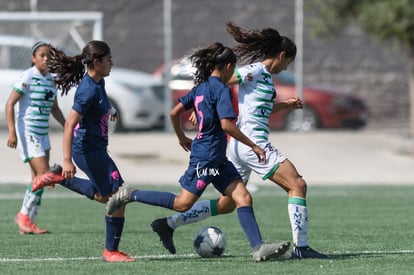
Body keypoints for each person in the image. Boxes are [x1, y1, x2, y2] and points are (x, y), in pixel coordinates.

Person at [150, 22, 328, 259]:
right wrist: (201, 106)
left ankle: (169, 224)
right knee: (297, 185)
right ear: (283, 56)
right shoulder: (254, 70)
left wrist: (286, 105)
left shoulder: (264, 77)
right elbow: (220, 80)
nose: (287, 67)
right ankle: (302, 247)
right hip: (253, 145)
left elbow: (258, 109)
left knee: (228, 203)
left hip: (237, 147)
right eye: (288, 62)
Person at [105, 42, 290, 262]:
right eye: (233, 68)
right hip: (206, 157)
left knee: (243, 197)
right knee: (182, 203)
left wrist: (181, 136)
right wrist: (254, 145)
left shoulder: (201, 87)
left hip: (218, 158)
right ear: (229, 66)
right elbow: (226, 125)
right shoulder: (221, 89)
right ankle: (130, 194)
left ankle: (258, 248)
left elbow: (174, 113)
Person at [31, 40, 134, 262]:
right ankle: (110, 251)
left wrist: (111, 109)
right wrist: (67, 159)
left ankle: (58, 177)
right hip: (88, 151)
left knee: (108, 197)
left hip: (95, 149)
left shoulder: (98, 83)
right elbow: (69, 124)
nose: (112, 63)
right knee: (119, 197)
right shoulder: (87, 90)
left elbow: (100, 103)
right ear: (96, 62)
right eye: (108, 59)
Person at [5, 41, 66, 235]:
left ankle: (28, 221)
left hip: (42, 133)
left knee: (37, 179)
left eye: (49, 55)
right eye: (42, 55)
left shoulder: (51, 80)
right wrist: (12, 131)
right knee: (44, 177)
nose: (46, 58)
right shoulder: (28, 77)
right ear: (33, 58)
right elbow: (10, 103)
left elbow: (54, 108)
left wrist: (67, 126)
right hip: (28, 132)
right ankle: (23, 216)